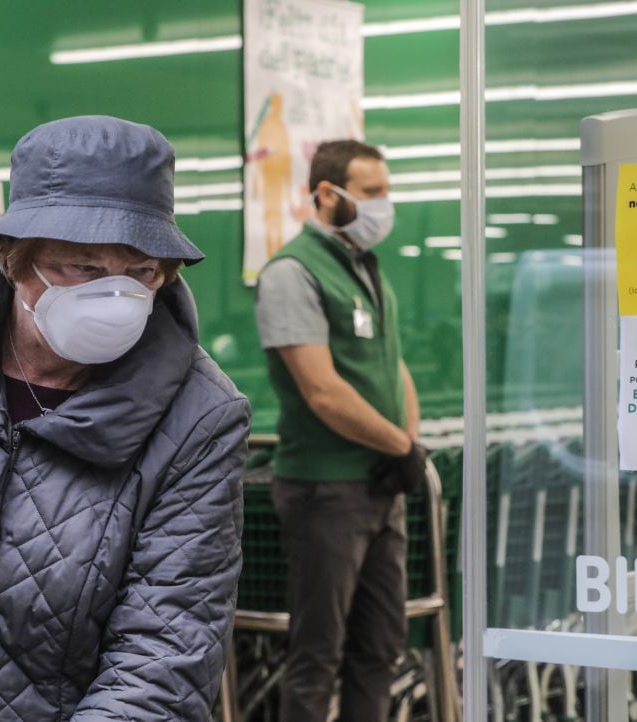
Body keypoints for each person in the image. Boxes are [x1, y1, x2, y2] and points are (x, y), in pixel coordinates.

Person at [0, 115, 251, 721]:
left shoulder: (199, 419)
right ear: (15, 261)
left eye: (142, 273)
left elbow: (163, 659)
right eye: (86, 268)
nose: (118, 297)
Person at [254, 139, 426, 722]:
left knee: (380, 647)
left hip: (380, 482)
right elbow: (322, 391)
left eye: (386, 190)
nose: (385, 204)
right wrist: (399, 445)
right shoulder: (292, 273)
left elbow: (390, 362)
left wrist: (409, 439)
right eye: (372, 192)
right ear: (328, 194)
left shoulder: (366, 268)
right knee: (317, 656)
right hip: (325, 492)